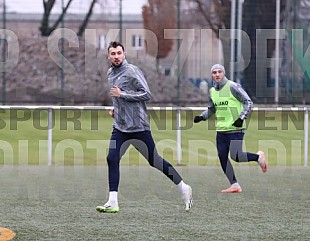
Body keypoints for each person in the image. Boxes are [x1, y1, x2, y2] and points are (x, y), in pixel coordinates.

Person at [96, 41, 193, 213]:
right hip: (120, 126)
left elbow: (146, 94)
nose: (116, 56)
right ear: (108, 56)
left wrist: (122, 94)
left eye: (119, 53)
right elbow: (118, 98)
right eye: (113, 53)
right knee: (112, 158)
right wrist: (116, 109)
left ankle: (183, 187)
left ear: (124, 54)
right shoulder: (110, 73)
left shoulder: (132, 71)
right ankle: (112, 202)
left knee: (154, 160)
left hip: (138, 126)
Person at [193, 64, 268, 193]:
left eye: (219, 72)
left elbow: (248, 102)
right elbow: (212, 109)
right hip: (221, 130)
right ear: (212, 75)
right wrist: (202, 117)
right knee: (222, 157)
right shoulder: (212, 91)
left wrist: (241, 118)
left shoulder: (232, 86)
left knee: (236, 156)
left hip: (236, 129)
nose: (217, 74)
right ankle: (234, 184)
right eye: (214, 72)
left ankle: (258, 158)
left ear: (224, 73)